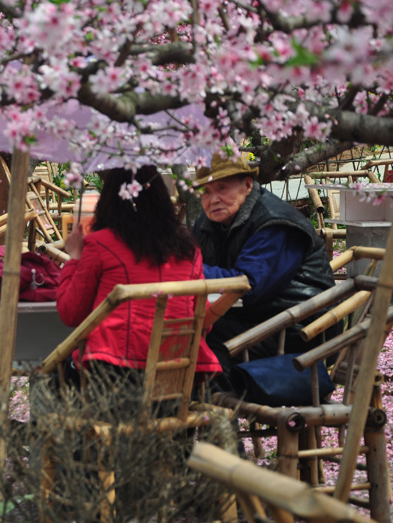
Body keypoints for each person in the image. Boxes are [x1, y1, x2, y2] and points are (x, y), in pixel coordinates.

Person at [56, 165, 221, 416]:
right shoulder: (189, 250)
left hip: (114, 372)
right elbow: (203, 320)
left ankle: (69, 453)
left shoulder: (100, 244)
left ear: (109, 199)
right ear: (162, 199)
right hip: (176, 373)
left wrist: (75, 258)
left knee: (52, 373)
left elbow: (71, 314)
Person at [191, 152, 337, 389]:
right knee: (175, 330)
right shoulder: (208, 222)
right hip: (248, 318)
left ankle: (211, 417)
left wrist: (183, 269)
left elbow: (248, 286)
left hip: (297, 331)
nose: (213, 199)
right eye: (206, 192)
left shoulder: (275, 223)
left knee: (198, 342)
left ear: (247, 185)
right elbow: (189, 259)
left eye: (222, 188)